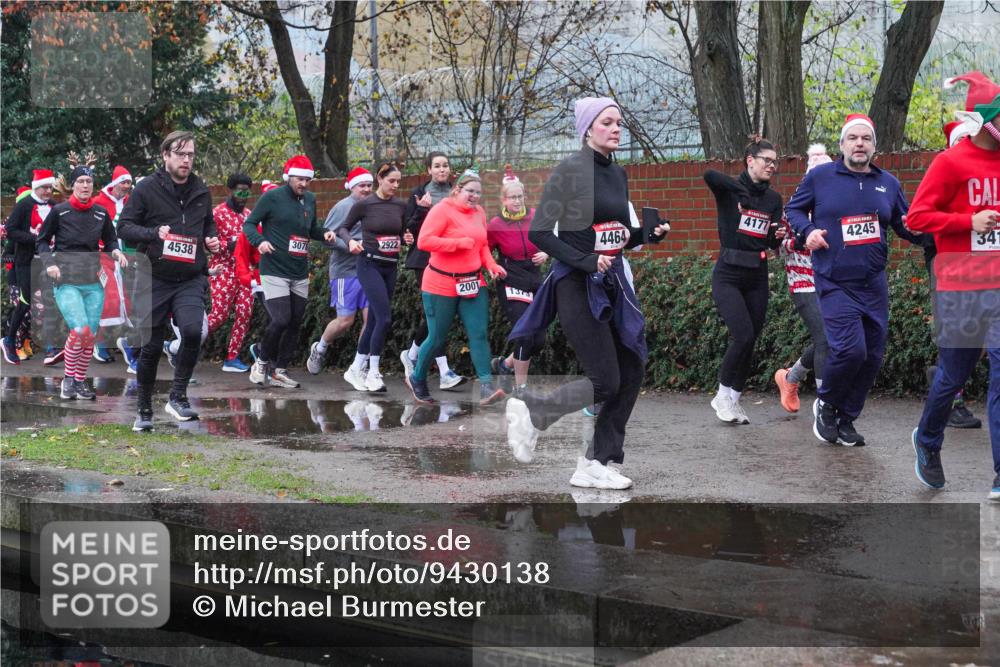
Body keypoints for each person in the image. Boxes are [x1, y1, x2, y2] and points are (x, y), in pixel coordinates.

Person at [505, 97, 669, 488]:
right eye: (607, 123)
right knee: (605, 380)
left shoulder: (617, 174)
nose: (616, 129)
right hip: (575, 284)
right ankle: (534, 413)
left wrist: (648, 235)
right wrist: (585, 260)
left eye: (618, 123)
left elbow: (615, 235)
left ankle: (597, 461)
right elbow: (540, 232)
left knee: (632, 368)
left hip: (610, 283)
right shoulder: (570, 170)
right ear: (588, 129)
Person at [787, 114, 922, 447]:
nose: (860, 144)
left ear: (875, 146)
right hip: (834, 280)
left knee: (873, 356)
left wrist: (930, 234)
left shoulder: (888, 183)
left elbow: (905, 225)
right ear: (842, 144)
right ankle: (827, 404)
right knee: (850, 350)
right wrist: (808, 232)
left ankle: (847, 418)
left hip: (873, 282)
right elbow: (793, 211)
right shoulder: (821, 177)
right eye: (853, 138)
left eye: (866, 138)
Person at [908, 71, 1000, 500]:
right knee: (952, 376)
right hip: (961, 288)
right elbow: (916, 219)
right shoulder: (950, 163)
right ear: (986, 122)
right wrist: (969, 221)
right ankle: (927, 441)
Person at [117, 130, 221, 431]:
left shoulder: (200, 189)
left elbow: (208, 222)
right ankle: (144, 409)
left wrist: (211, 238)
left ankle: (177, 397)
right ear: (166, 156)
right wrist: (154, 233)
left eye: (190, 154)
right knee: (150, 346)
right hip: (155, 278)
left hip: (190, 277)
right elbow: (124, 227)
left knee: (192, 331)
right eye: (180, 154)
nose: (186, 160)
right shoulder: (146, 189)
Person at [402, 168, 507, 405]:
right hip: (441, 282)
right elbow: (424, 241)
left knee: (479, 333)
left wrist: (491, 265)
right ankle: (417, 377)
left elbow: (481, 245)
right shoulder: (442, 210)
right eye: (470, 191)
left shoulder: (479, 212)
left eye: (478, 193)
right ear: (457, 189)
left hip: (472, 282)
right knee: (437, 337)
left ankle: (486, 386)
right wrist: (458, 243)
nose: (474, 197)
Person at [704, 137, 786, 424]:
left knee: (752, 340)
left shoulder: (773, 199)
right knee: (743, 334)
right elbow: (709, 175)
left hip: (757, 274)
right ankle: (721, 394)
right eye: (767, 160)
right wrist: (740, 192)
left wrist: (776, 237)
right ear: (750, 160)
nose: (772, 166)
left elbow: (766, 238)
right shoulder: (728, 191)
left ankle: (734, 400)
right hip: (728, 273)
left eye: (775, 162)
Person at [244, 156, 336, 389]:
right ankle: (262, 363)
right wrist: (260, 241)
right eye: (299, 179)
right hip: (274, 268)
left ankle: (280, 371)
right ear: (288, 177)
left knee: (295, 322)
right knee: (281, 318)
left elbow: (311, 229)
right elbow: (249, 224)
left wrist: (324, 233)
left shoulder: (310, 200)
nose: (303, 184)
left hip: (299, 270)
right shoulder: (272, 198)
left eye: (307, 180)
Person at [36, 164, 127, 399]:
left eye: (89, 181)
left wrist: (116, 252)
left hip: (93, 284)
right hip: (66, 282)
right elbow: (43, 241)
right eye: (81, 181)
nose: (85, 185)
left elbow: (110, 240)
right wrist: (50, 264)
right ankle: (68, 380)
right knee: (80, 330)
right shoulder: (60, 212)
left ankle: (79, 381)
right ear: (73, 185)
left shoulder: (100, 213)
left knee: (90, 336)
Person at [338, 162, 411, 393]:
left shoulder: (401, 205)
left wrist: (407, 237)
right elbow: (343, 228)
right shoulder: (365, 205)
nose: (395, 185)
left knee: (375, 320)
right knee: (385, 319)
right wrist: (350, 241)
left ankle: (355, 368)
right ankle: (373, 372)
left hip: (390, 266)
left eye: (399, 182)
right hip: (368, 264)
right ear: (380, 179)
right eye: (391, 181)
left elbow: (403, 231)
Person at [400, 151, 466, 391]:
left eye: (445, 166)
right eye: (437, 166)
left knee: (442, 315)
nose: (441, 169)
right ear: (428, 169)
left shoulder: (457, 194)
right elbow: (408, 229)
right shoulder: (419, 194)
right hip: (425, 261)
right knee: (437, 314)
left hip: (452, 260)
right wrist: (421, 209)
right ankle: (444, 371)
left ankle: (413, 353)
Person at [774, 144, 832, 413]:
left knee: (830, 338)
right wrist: (801, 240)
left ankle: (790, 378)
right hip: (803, 281)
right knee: (824, 338)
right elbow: (779, 247)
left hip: (831, 281)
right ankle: (825, 404)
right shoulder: (795, 207)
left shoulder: (835, 206)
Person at [306, 166, 373, 374]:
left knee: (371, 319)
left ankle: (360, 364)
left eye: (369, 185)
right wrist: (352, 246)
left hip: (370, 270)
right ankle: (320, 348)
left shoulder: (373, 206)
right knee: (345, 321)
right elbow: (328, 239)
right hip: (346, 272)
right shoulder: (343, 207)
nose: (366, 189)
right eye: (362, 185)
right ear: (352, 187)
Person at [487, 165, 547, 390]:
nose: (517, 201)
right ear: (503, 200)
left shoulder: (535, 216)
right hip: (511, 280)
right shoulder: (495, 225)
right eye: (512, 197)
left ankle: (505, 364)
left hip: (534, 277)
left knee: (539, 339)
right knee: (525, 333)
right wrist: (492, 266)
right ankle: (521, 388)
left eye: (520, 196)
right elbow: (484, 250)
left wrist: (546, 252)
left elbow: (549, 239)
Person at [1, 169, 54, 365]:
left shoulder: (53, 206)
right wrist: (34, 239)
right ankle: (9, 339)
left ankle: (52, 347)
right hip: (26, 262)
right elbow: (11, 231)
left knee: (51, 303)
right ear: (36, 187)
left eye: (50, 187)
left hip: (47, 261)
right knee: (25, 303)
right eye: (44, 187)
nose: (48, 191)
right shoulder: (24, 205)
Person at [207, 172, 255, 372]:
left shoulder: (249, 216)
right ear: (231, 190)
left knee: (245, 312)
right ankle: (182, 343)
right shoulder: (217, 213)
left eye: (247, 192)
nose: (243, 196)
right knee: (218, 316)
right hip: (223, 269)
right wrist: (232, 244)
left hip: (245, 271)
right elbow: (210, 245)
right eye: (240, 191)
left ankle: (232, 358)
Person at [90, 164, 133, 363]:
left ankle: (122, 342)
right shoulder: (98, 202)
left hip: (125, 258)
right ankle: (98, 344)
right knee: (108, 299)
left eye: (129, 183)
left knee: (127, 301)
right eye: (124, 182)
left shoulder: (129, 202)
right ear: (115, 183)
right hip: (102, 258)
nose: (127, 186)